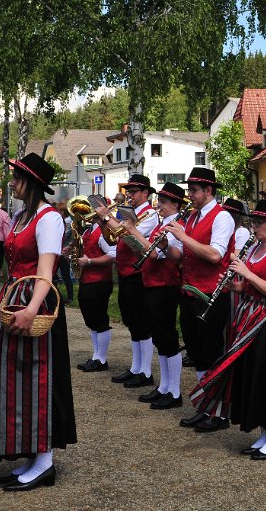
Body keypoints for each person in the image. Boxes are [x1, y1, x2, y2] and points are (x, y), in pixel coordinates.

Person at [0, 153, 76, 492]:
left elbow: (46, 273)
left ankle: (45, 462)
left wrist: (30, 309)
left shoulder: (48, 218)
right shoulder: (20, 215)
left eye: (16, 178)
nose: (11, 183)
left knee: (38, 381)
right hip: (14, 297)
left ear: (30, 183)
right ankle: (31, 456)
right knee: (17, 380)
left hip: (34, 303)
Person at [189, 199, 266, 459]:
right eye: (253, 221)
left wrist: (246, 273)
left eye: (259, 222)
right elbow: (251, 285)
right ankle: (264, 433)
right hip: (249, 315)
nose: (254, 226)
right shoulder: (256, 248)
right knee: (252, 376)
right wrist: (234, 285)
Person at [167, 167, 235, 433]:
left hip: (212, 295)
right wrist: (165, 246)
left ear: (209, 190)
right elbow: (180, 256)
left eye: (194, 190)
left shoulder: (223, 217)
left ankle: (218, 412)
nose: (190, 195)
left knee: (212, 352)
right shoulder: (192, 217)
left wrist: (183, 236)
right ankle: (204, 405)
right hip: (190, 291)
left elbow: (215, 255)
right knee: (197, 353)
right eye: (190, 189)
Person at [95, 175, 158, 389]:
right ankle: (136, 367)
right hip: (125, 273)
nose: (129, 195)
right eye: (128, 191)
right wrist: (104, 222)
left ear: (145, 194)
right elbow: (114, 237)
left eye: (134, 191)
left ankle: (146, 371)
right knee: (131, 321)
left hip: (138, 274)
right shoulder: (128, 213)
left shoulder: (149, 214)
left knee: (141, 322)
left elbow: (131, 237)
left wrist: (106, 217)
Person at [134, 182, 187, 409]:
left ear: (176, 205)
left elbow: (157, 254)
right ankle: (164, 386)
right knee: (159, 337)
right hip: (152, 283)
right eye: (160, 201)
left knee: (167, 337)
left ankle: (174, 391)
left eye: (164, 202)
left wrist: (132, 232)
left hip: (166, 285)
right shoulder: (162, 225)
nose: (160, 206)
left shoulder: (176, 226)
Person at [73, 205, 116, 372]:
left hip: (99, 281)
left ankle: (101, 359)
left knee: (99, 320)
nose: (87, 216)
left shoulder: (103, 232)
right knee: (91, 321)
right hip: (87, 280)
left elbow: (113, 254)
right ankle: (96, 356)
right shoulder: (88, 231)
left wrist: (89, 261)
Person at [54, 201, 75, 303]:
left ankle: (70, 297)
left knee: (66, 275)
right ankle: (55, 295)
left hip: (64, 252)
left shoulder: (68, 222)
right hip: (58, 251)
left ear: (63, 211)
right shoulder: (62, 221)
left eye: (58, 210)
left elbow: (62, 235)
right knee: (54, 275)